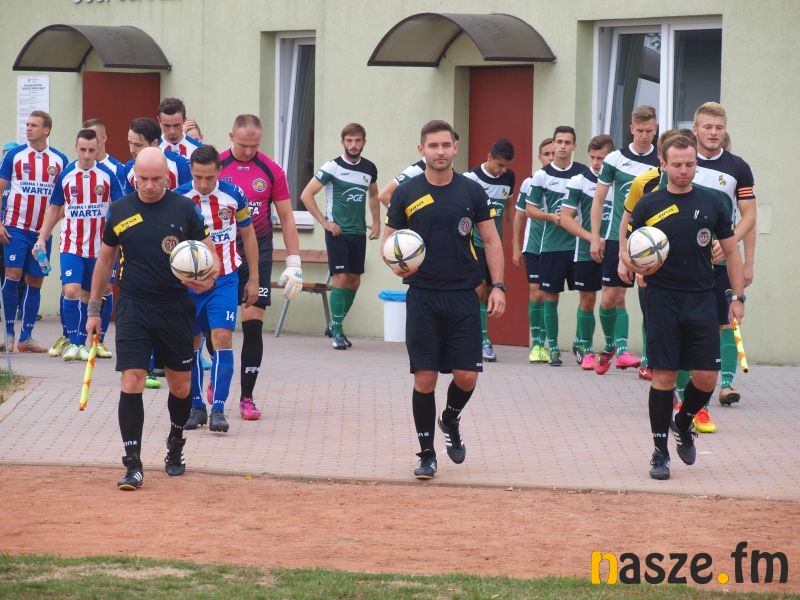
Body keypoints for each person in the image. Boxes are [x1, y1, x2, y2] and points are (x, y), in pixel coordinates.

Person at [86, 147, 218, 491]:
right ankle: (133, 464)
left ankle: (175, 443)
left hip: (175, 307)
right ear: (134, 177)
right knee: (132, 380)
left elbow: (210, 255)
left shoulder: (184, 209)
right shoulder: (119, 210)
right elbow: (104, 260)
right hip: (133, 306)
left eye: (155, 179)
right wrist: (94, 310)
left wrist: (206, 278)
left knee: (181, 386)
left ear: (167, 178)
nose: (148, 185)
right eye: (142, 178)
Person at [383, 119, 506, 480]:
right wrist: (395, 264)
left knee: (466, 376)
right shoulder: (406, 193)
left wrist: (498, 286)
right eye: (433, 146)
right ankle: (426, 454)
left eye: (445, 145)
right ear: (421, 150)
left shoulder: (472, 192)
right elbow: (389, 241)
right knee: (425, 378)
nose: (440, 151)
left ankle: (450, 418)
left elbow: (492, 240)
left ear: (455, 148)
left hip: (464, 297)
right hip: (423, 296)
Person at [620, 133, 745, 480]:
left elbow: (732, 251)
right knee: (664, 377)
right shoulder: (649, 204)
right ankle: (659, 453)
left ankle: (683, 420)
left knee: (706, 378)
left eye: (690, 164)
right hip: (662, 298)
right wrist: (637, 267)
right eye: (677, 164)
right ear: (663, 163)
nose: (684, 170)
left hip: (703, 298)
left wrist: (738, 297)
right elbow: (627, 251)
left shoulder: (712, 202)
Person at [219, 114, 302, 421]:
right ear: (231, 137)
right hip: (223, 250)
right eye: (242, 145)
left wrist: (294, 262)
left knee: (253, 323)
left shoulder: (271, 170)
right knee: (219, 327)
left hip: (259, 251)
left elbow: (288, 217)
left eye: (254, 146)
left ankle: (247, 398)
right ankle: (217, 381)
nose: (248, 151)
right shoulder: (216, 166)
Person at [176, 145, 259, 432]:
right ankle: (197, 406)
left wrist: (254, 278)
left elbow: (249, 235)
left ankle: (219, 409)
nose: (203, 184)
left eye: (209, 178)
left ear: (219, 172)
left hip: (225, 279)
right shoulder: (179, 198)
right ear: (191, 171)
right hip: (189, 283)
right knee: (191, 343)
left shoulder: (234, 196)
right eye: (198, 177)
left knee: (222, 338)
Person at [35, 128, 124, 361]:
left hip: (100, 248)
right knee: (71, 290)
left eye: (91, 150)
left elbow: (121, 206)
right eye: (83, 150)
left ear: (98, 149)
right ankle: (75, 342)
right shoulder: (65, 175)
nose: (86, 155)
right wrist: (42, 237)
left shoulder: (107, 175)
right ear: (76, 148)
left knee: (100, 292)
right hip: (71, 245)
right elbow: (54, 208)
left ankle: (97, 341)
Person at [589, 105, 659, 374]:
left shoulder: (661, 158)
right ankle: (610, 344)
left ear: (655, 129)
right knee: (609, 299)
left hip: (650, 240)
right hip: (617, 238)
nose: (644, 135)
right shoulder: (615, 159)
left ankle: (649, 361)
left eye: (649, 131)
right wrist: (595, 237)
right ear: (631, 129)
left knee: (649, 301)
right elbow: (598, 200)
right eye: (640, 130)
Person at [300, 123, 380, 349]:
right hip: (337, 233)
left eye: (358, 140)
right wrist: (325, 223)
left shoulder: (369, 168)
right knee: (341, 278)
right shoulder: (332, 167)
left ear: (364, 142)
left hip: (358, 233)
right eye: (349, 141)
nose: (353, 145)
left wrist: (376, 222)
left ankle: (334, 323)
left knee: (354, 281)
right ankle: (338, 331)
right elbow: (306, 195)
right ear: (343, 142)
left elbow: (373, 195)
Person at [0, 111, 68, 352]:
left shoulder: (59, 160)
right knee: (12, 274)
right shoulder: (15, 156)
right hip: (15, 227)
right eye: (27, 124)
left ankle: (26, 338)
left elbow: (63, 200)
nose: (28, 128)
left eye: (34, 125)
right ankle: (8, 334)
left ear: (46, 130)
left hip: (41, 233)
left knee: (36, 280)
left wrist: (48, 229)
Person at [525, 126, 587, 366]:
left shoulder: (582, 174)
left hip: (578, 246)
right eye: (559, 142)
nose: (562, 146)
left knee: (586, 296)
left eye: (567, 142)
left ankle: (581, 344)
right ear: (554, 143)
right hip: (551, 245)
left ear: (574, 146)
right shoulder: (541, 176)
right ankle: (552, 347)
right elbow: (530, 210)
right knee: (550, 297)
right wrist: (551, 217)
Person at [560, 134, 615, 369]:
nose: (596, 163)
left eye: (601, 158)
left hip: (614, 248)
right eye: (592, 157)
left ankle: (614, 346)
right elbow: (565, 218)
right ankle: (586, 348)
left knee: (614, 299)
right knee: (587, 300)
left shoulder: (620, 180)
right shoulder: (578, 181)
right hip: (586, 250)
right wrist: (591, 237)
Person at [463, 138, 515, 362]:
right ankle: (483, 340)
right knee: (478, 289)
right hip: (473, 244)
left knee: (487, 292)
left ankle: (479, 337)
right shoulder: (470, 179)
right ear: (489, 157)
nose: (503, 170)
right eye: (499, 165)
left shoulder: (509, 177)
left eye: (507, 166)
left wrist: (515, 241)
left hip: (494, 246)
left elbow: (509, 208)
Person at [512, 138, 555, 363]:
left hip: (557, 246)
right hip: (534, 245)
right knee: (536, 292)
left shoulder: (570, 181)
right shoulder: (530, 183)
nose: (550, 157)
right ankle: (537, 344)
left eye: (553, 153)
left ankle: (553, 343)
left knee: (551, 294)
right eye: (546, 154)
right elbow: (519, 215)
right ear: (540, 158)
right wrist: (515, 246)